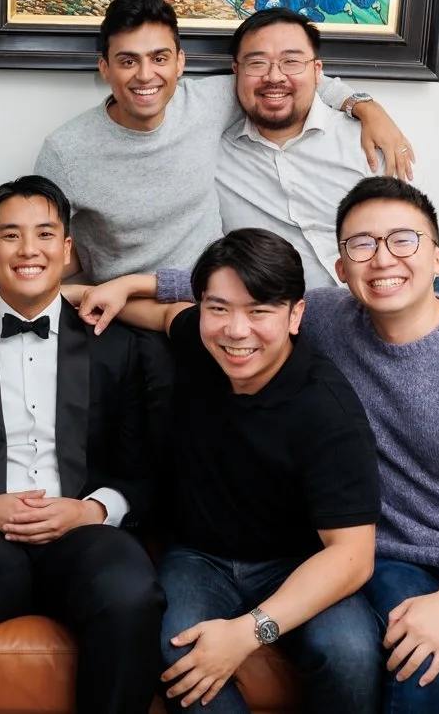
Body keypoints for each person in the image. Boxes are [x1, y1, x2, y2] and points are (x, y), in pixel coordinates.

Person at [94, 180, 439, 714]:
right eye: (362, 245)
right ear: (340, 268)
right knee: (419, 669)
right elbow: (233, 291)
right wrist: (113, 287)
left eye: (403, 240)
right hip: (394, 557)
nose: (382, 259)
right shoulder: (325, 319)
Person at [0, 177, 165, 714]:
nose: (28, 250)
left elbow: (151, 475)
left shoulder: (123, 349)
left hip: (85, 534)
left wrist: (91, 510)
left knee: (130, 593)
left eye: (44, 234)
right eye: (10, 236)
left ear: (67, 251)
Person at [112, 228, 383, 714]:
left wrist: (247, 631)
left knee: (351, 654)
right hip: (198, 556)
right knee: (178, 656)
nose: (236, 331)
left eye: (259, 311)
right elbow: (161, 313)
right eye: (219, 308)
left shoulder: (327, 408)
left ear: (295, 315)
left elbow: (353, 556)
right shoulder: (202, 340)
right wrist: (77, 295)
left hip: (297, 563)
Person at [32, 0, 411, 284]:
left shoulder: (207, 101)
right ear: (105, 68)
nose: (145, 75)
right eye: (128, 61)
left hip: (211, 297)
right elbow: (33, 240)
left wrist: (364, 106)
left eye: (160, 58)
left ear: (180, 62)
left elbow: (288, 80)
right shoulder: (67, 150)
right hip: (121, 308)